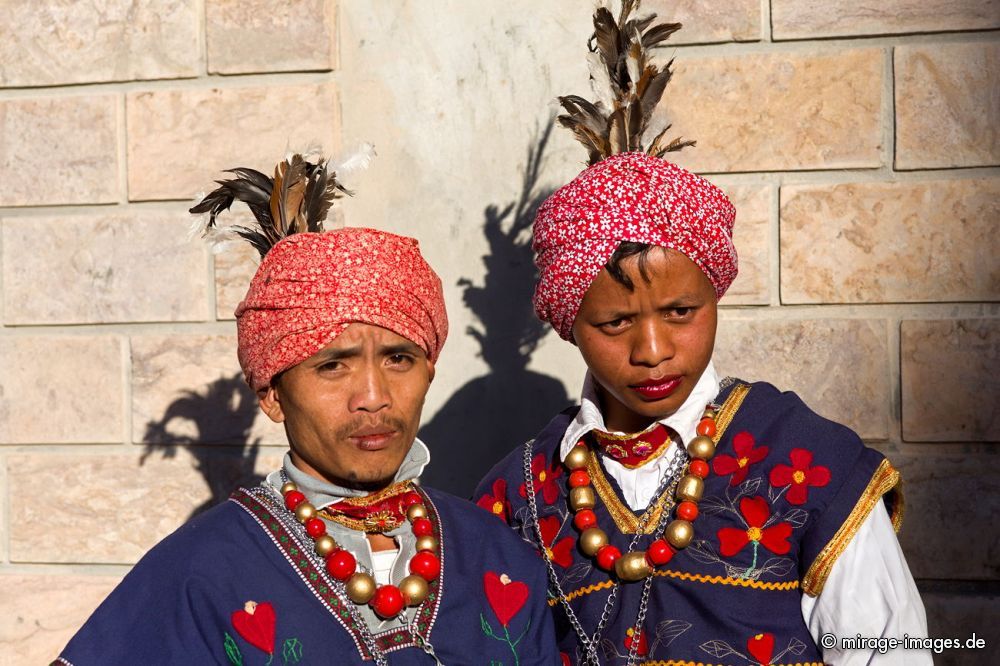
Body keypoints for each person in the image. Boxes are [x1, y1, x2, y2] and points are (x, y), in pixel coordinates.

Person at [474, 4, 929, 665]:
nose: (653, 350)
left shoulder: (808, 467)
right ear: (568, 325)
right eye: (615, 323)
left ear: (715, 296)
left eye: (681, 313)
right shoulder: (517, 496)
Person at [56, 152, 560, 665]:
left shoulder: (497, 557)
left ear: (429, 372)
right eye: (332, 367)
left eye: (399, 359)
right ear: (273, 396)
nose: (373, 396)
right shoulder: (201, 571)